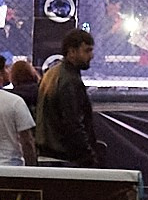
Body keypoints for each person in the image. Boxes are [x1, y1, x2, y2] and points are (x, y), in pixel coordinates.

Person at [35, 29, 102, 168]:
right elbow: (73, 122)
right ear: (72, 52)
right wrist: (87, 156)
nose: (92, 55)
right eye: (87, 51)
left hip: (47, 153)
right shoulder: (70, 81)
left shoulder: (52, 74)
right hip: (63, 156)